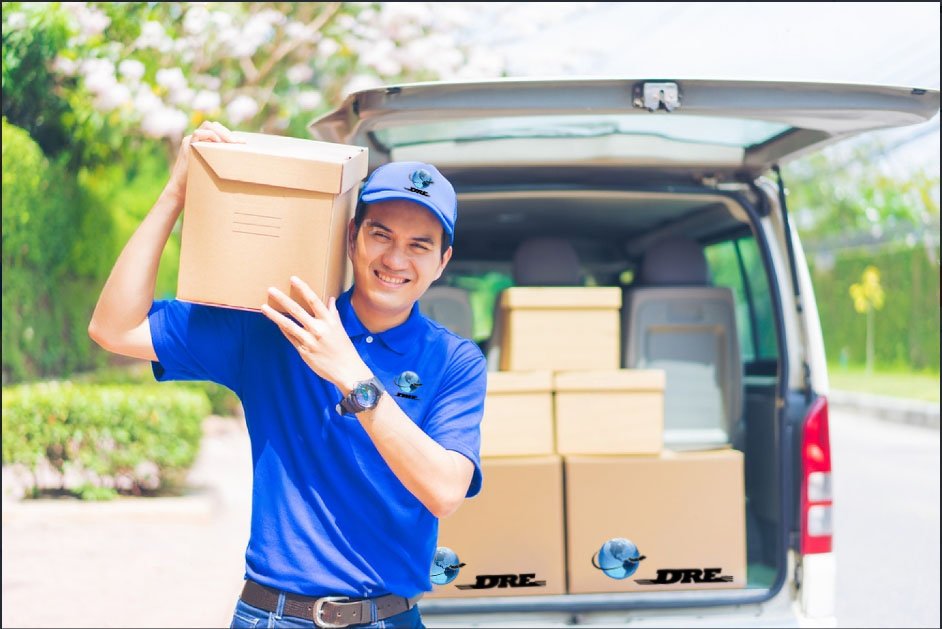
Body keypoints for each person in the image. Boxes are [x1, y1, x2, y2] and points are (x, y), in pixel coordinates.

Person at [88, 121, 487, 629]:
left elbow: (445, 491)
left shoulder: (454, 361)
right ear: (351, 236)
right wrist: (176, 192)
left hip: (390, 618)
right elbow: (113, 327)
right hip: (273, 617)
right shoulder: (274, 325)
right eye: (380, 234)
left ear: (442, 261)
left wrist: (352, 375)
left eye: (418, 245)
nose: (394, 258)